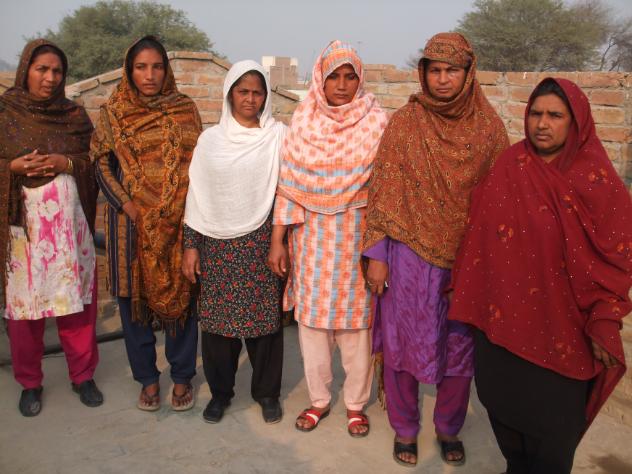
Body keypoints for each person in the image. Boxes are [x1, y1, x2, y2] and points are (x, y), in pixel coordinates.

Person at [448, 77, 632, 474]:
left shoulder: (598, 182)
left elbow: (618, 256)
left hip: (564, 331)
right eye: (535, 113)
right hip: (501, 323)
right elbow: (479, 236)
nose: (542, 124)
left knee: (554, 437)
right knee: (504, 416)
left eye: (555, 116)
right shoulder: (509, 165)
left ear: (576, 122)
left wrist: (605, 316)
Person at [362, 32, 509, 467]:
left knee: (458, 350)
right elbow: (383, 192)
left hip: (465, 261)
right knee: (402, 344)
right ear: (423, 73)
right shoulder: (405, 123)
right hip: (408, 256)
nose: (443, 79)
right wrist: (376, 256)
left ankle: (448, 427)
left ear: (469, 73)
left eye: (452, 70)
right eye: (435, 70)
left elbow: (500, 201)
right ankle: (405, 428)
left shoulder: (489, 129)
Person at [268, 40, 388, 437]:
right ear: (320, 79)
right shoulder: (304, 121)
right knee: (314, 329)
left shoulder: (377, 122)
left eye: (350, 76)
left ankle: (355, 403)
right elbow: (288, 186)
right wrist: (278, 240)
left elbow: (386, 191)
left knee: (357, 330)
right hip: (312, 242)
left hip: (357, 239)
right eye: (333, 76)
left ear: (360, 79)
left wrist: (380, 251)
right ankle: (319, 399)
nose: (341, 85)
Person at [91, 36, 202, 412]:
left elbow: (197, 167)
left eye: (157, 67)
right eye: (141, 67)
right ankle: (148, 380)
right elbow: (101, 165)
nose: (150, 75)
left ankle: (182, 376)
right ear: (129, 70)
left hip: (177, 224)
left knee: (182, 301)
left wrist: (173, 212)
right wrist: (129, 205)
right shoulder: (113, 112)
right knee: (132, 304)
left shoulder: (184, 109)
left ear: (166, 70)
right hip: (130, 227)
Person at [0, 39, 102, 416]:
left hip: (69, 230)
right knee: (25, 313)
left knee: (75, 306)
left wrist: (65, 162)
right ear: (26, 69)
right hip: (22, 235)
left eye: (57, 71)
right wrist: (12, 168)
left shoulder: (74, 116)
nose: (50, 77)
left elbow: (94, 163)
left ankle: (82, 375)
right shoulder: (6, 112)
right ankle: (30, 382)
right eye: (42, 69)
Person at [182, 60, 286, 424]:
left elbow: (286, 192)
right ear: (229, 94)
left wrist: (279, 242)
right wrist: (191, 245)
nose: (250, 99)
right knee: (217, 328)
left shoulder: (277, 136)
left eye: (258, 92)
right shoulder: (210, 141)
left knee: (265, 325)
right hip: (216, 245)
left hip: (261, 242)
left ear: (266, 97)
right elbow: (196, 194)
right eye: (243, 91)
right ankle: (220, 394)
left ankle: (267, 394)